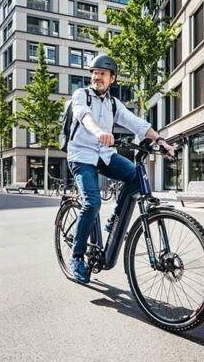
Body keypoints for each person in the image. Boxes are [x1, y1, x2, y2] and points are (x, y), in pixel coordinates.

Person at [66, 54, 175, 284]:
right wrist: (98, 132)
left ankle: (115, 218)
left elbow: (136, 122)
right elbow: (83, 116)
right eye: (94, 72)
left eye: (103, 73)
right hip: (82, 156)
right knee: (92, 202)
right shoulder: (81, 95)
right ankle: (76, 257)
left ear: (112, 79)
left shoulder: (113, 104)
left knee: (136, 176)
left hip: (104, 156)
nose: (97, 76)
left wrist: (160, 140)